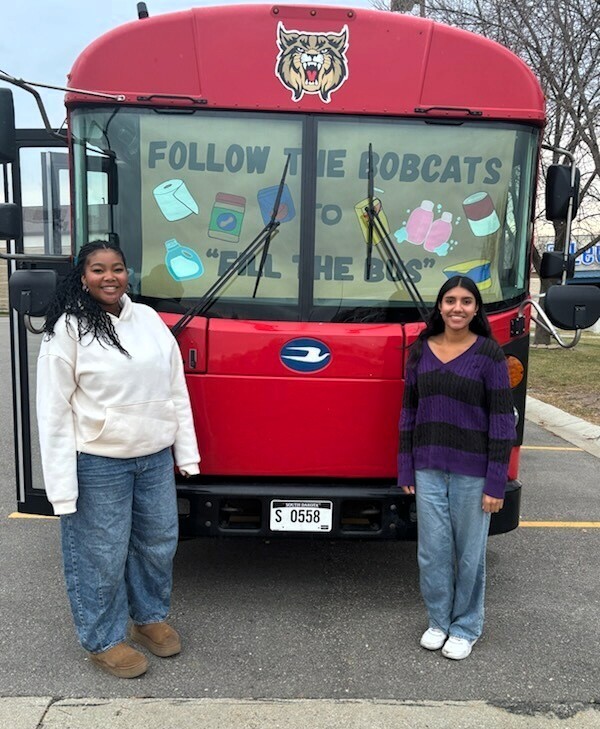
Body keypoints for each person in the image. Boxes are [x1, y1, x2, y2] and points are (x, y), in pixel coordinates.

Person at [36, 240, 200, 678]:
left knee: (158, 542)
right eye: (98, 269)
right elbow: (52, 412)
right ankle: (102, 639)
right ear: (82, 276)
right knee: (100, 554)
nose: (110, 277)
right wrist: (61, 489)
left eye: (118, 268)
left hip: (153, 459)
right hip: (98, 462)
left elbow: (174, 390)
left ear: (128, 273)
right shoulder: (66, 330)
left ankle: (148, 618)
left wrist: (186, 452)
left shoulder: (147, 320)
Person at [398, 275, 516, 661]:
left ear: (476, 309)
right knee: (431, 552)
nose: (457, 308)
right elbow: (408, 413)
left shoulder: (488, 355)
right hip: (428, 467)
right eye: (450, 300)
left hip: (474, 472)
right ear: (439, 306)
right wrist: (405, 468)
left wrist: (496, 482)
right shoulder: (420, 351)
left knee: (469, 554)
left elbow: (502, 420)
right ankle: (438, 621)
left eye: (466, 301)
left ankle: (466, 626)